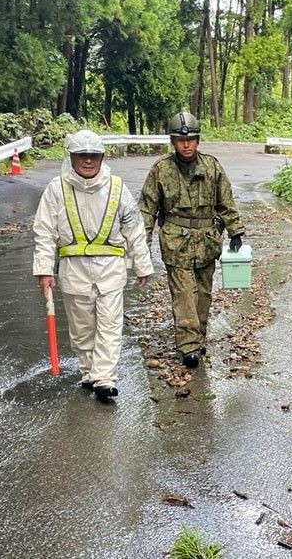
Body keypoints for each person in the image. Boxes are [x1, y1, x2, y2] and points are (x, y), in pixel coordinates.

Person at [33, 129, 153, 403]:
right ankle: (88, 372)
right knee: (82, 329)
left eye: (94, 156)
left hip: (110, 268)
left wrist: (142, 264)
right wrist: (43, 270)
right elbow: (44, 231)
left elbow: (134, 228)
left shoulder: (116, 187)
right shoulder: (57, 189)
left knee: (110, 326)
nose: (88, 161)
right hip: (74, 271)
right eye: (82, 156)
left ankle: (105, 378)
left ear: (102, 158)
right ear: (72, 157)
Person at [138, 112, 245, 368]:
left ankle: (198, 337)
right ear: (173, 141)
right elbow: (147, 208)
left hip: (207, 241)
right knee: (184, 294)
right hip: (176, 242)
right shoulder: (161, 170)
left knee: (203, 295)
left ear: (197, 140)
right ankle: (188, 347)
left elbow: (225, 202)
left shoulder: (212, 167)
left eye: (191, 140)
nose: (186, 145)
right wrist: (141, 242)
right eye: (179, 140)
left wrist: (235, 231)